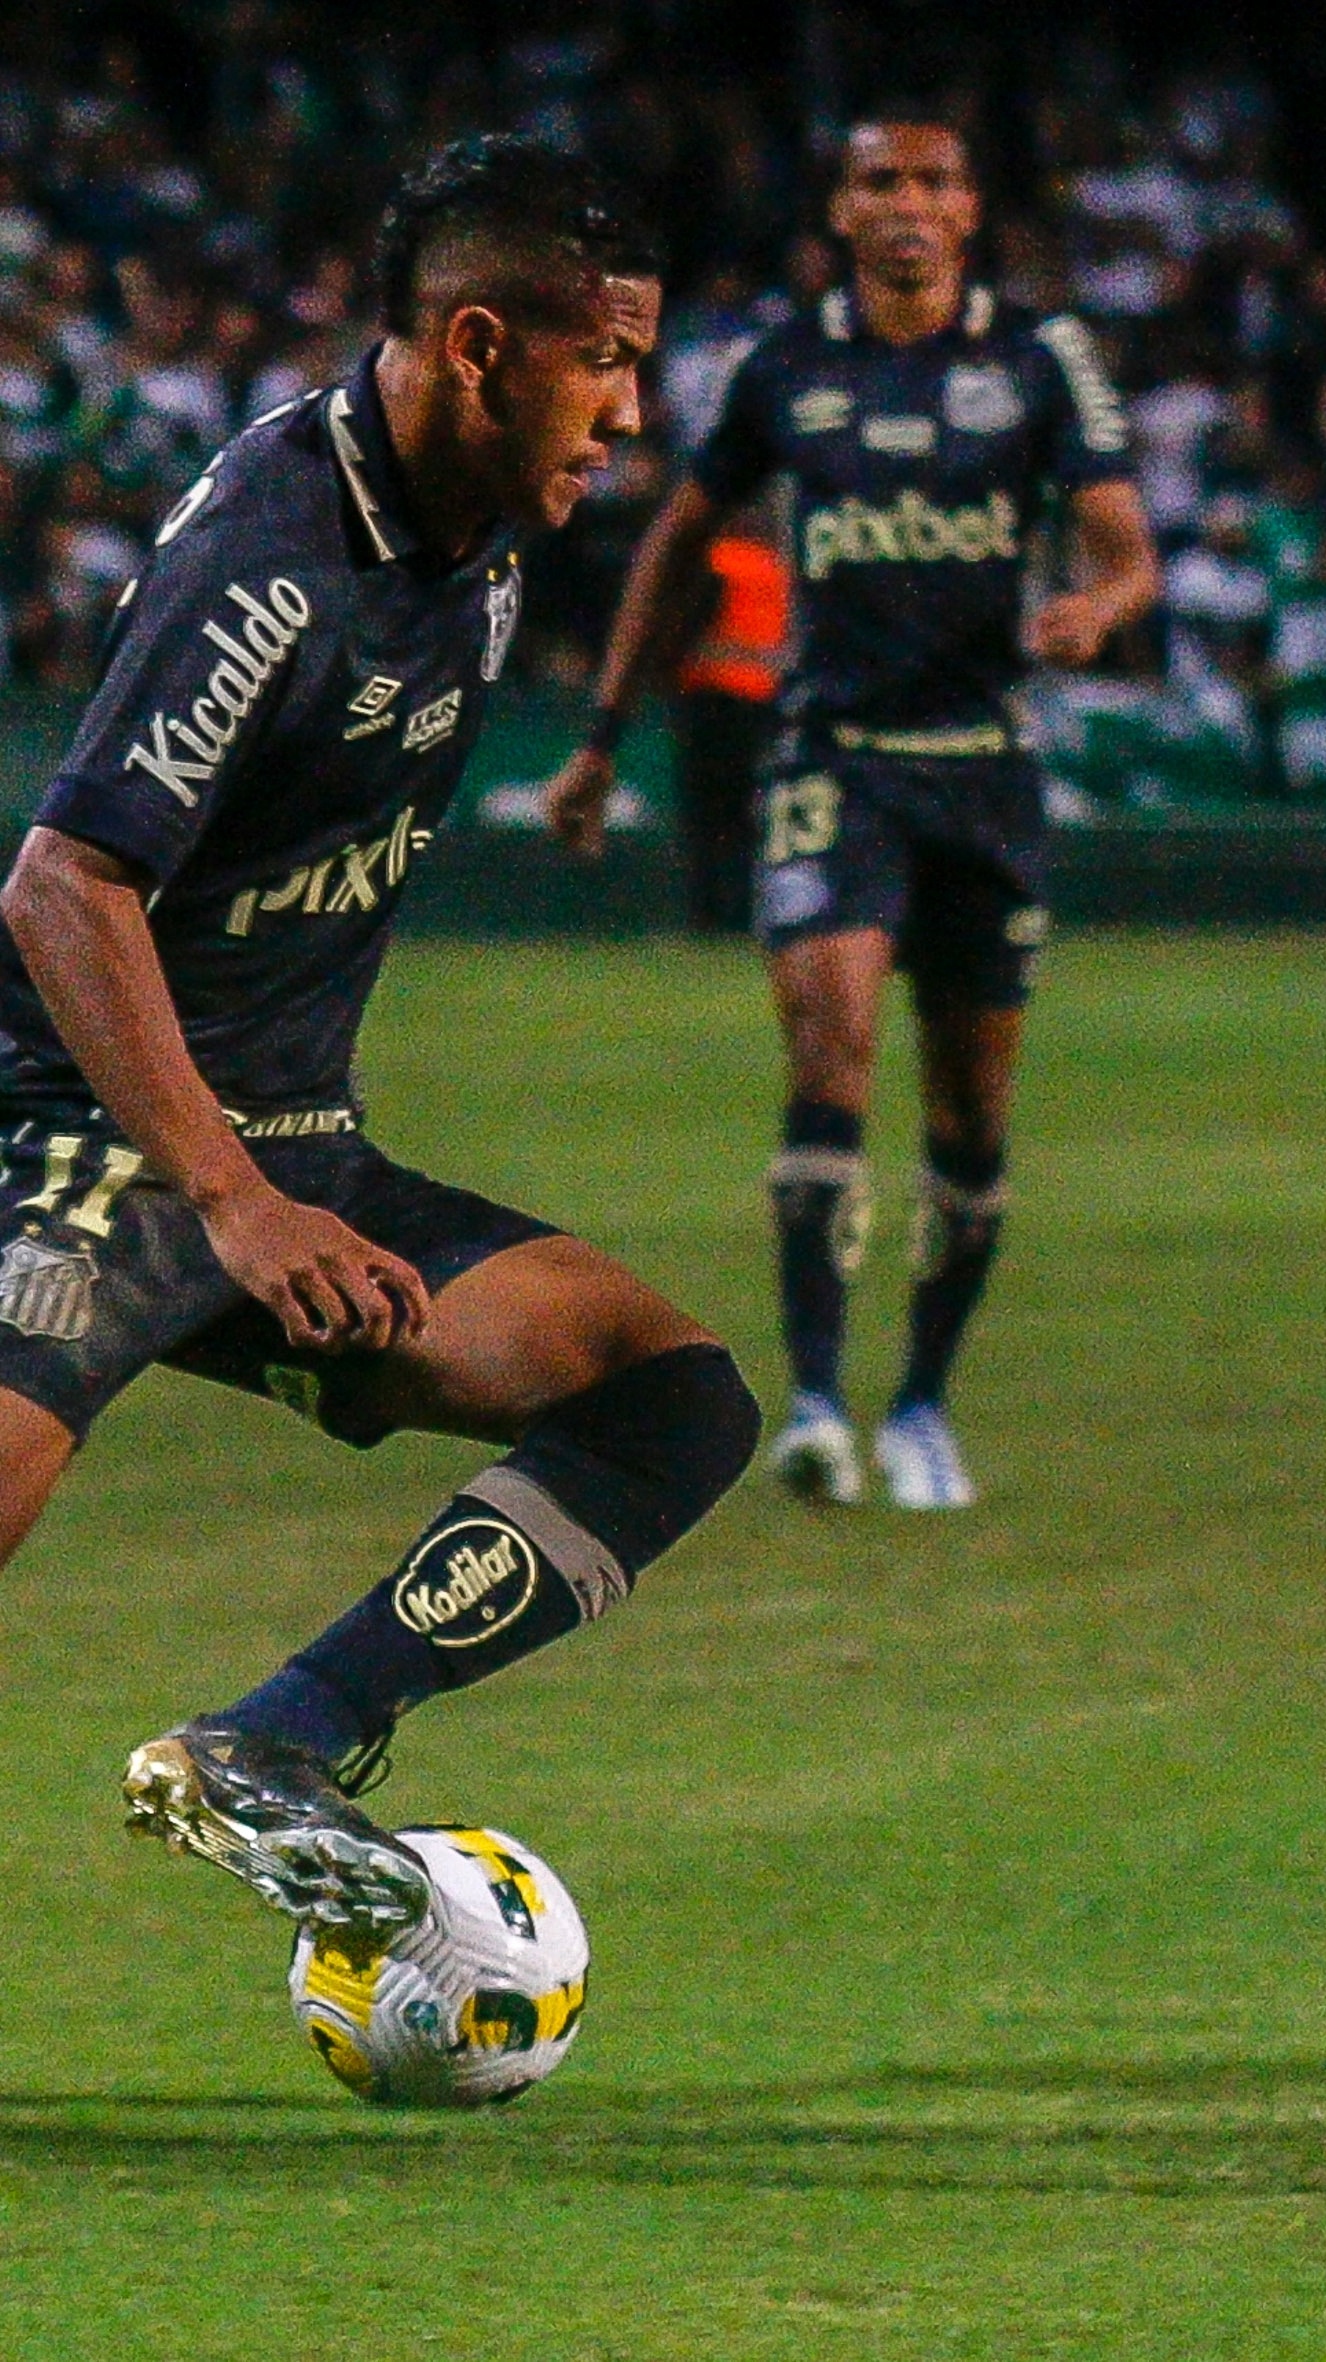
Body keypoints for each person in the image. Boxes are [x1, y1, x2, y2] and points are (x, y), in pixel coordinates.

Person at [0, 135, 760, 1942]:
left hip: (285, 1149)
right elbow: (60, 888)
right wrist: (231, 1198)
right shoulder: (271, 558)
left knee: (666, 1393)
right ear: (483, 345)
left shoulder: (474, 545)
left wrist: (276, 1183)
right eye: (609, 363)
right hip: (89, 1143)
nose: (630, 416)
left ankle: (276, 1742)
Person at [548, 105, 1159, 1509]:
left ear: (968, 207)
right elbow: (678, 544)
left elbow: (1131, 553)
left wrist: (1093, 607)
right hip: (833, 757)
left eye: (932, 180)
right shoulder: (784, 366)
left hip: (986, 766)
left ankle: (926, 1401)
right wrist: (599, 739)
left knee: (970, 1112)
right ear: (838, 211)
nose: (905, 202)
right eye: (878, 180)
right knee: (830, 1053)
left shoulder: (1039, 358)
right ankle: (817, 1401)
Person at [670, 510, 790, 932]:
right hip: (762, 700)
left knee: (707, 816)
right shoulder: (774, 568)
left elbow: (689, 624)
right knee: (747, 817)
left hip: (712, 698)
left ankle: (708, 916)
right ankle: (745, 916)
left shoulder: (718, 561)